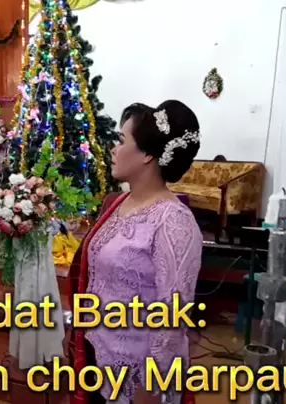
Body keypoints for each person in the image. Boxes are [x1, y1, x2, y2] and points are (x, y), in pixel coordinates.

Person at [68, 101, 203, 404]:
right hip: (97, 355)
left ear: (147, 155)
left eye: (121, 140)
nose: (113, 149)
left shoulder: (172, 221)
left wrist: (150, 391)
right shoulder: (119, 203)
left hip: (136, 379)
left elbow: (171, 319)